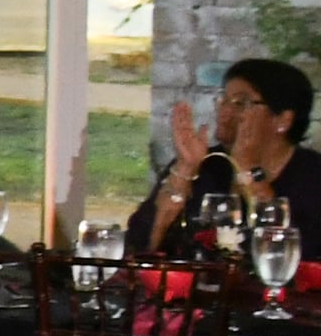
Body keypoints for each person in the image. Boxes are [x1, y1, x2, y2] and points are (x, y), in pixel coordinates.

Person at [124, 55, 321, 254]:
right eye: (223, 99)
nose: (224, 111)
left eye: (240, 103)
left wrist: (248, 171)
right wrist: (184, 169)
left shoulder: (313, 175)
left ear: (283, 120)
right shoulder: (205, 165)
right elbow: (138, 247)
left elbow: (300, 256)